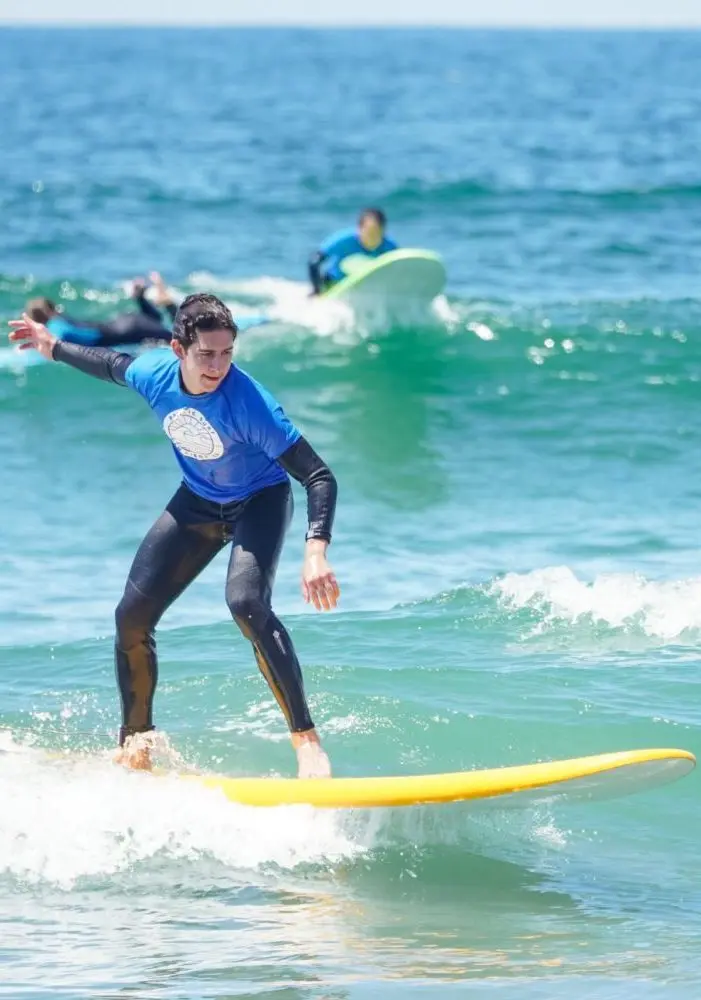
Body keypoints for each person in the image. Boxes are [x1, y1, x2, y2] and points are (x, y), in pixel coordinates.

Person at [9, 294, 340, 779]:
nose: (218, 365)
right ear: (178, 349)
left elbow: (318, 476)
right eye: (206, 354)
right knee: (131, 618)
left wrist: (316, 551)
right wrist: (51, 345)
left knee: (245, 602)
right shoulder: (154, 374)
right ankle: (136, 742)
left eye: (227, 353)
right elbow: (108, 363)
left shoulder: (251, 404)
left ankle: (305, 739)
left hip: (259, 501)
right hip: (199, 500)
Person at [26, 272, 177, 348]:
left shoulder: (54, 325)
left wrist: (50, 342)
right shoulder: (59, 320)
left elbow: (67, 334)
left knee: (177, 339)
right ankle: (141, 297)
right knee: (159, 322)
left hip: (126, 329)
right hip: (123, 323)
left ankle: (166, 301)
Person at [308, 208, 398, 295]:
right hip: (336, 285)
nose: (372, 238)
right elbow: (314, 261)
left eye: (376, 233)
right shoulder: (344, 241)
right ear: (359, 229)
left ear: (383, 231)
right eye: (369, 233)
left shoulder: (390, 248)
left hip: (368, 290)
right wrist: (317, 290)